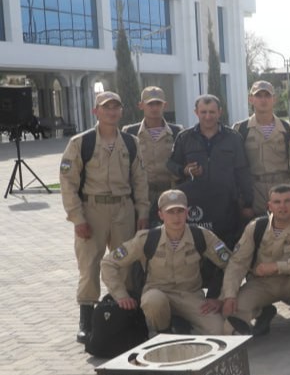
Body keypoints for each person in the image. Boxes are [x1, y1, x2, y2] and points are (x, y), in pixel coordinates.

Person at [61, 91, 149, 343]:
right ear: (95, 111)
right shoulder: (81, 143)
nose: (111, 112)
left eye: (115, 107)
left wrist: (142, 212)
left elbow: (140, 180)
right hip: (93, 210)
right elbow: (68, 183)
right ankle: (87, 319)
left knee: (125, 263)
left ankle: (124, 317)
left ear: (121, 111)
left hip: (123, 210)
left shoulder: (131, 143)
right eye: (106, 107)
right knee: (89, 264)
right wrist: (78, 219)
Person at [101, 189, 232, 336]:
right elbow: (108, 263)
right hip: (158, 293)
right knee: (153, 301)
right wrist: (121, 295)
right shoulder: (147, 238)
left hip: (191, 296)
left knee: (219, 330)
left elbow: (232, 265)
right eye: (170, 212)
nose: (176, 217)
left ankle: (184, 332)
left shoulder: (202, 235)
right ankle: (163, 333)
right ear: (161, 215)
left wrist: (221, 298)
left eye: (180, 211)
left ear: (187, 212)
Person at [220, 184, 290, 340]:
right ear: (269, 206)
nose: (282, 206)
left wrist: (277, 267)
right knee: (234, 314)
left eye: (287, 201)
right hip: (262, 284)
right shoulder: (256, 227)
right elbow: (238, 263)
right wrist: (229, 295)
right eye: (277, 202)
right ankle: (263, 312)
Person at [167, 93, 253, 245]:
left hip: (227, 204)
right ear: (196, 112)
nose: (208, 117)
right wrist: (184, 170)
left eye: (212, 112)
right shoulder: (185, 138)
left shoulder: (233, 138)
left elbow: (243, 172)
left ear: (220, 112)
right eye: (203, 112)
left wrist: (247, 204)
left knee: (227, 246)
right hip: (196, 206)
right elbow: (171, 164)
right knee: (197, 245)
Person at [235, 81, 290, 216]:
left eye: (267, 96)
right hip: (253, 190)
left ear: (274, 99)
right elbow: (236, 166)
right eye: (258, 96)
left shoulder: (287, 128)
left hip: (282, 187)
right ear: (251, 99)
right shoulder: (241, 129)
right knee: (255, 227)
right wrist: (243, 199)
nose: (263, 100)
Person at [122, 86, 179, 220]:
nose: (154, 108)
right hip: (141, 196)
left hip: (169, 194)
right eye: (150, 104)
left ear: (165, 105)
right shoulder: (129, 132)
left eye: (158, 104)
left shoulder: (177, 132)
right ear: (141, 105)